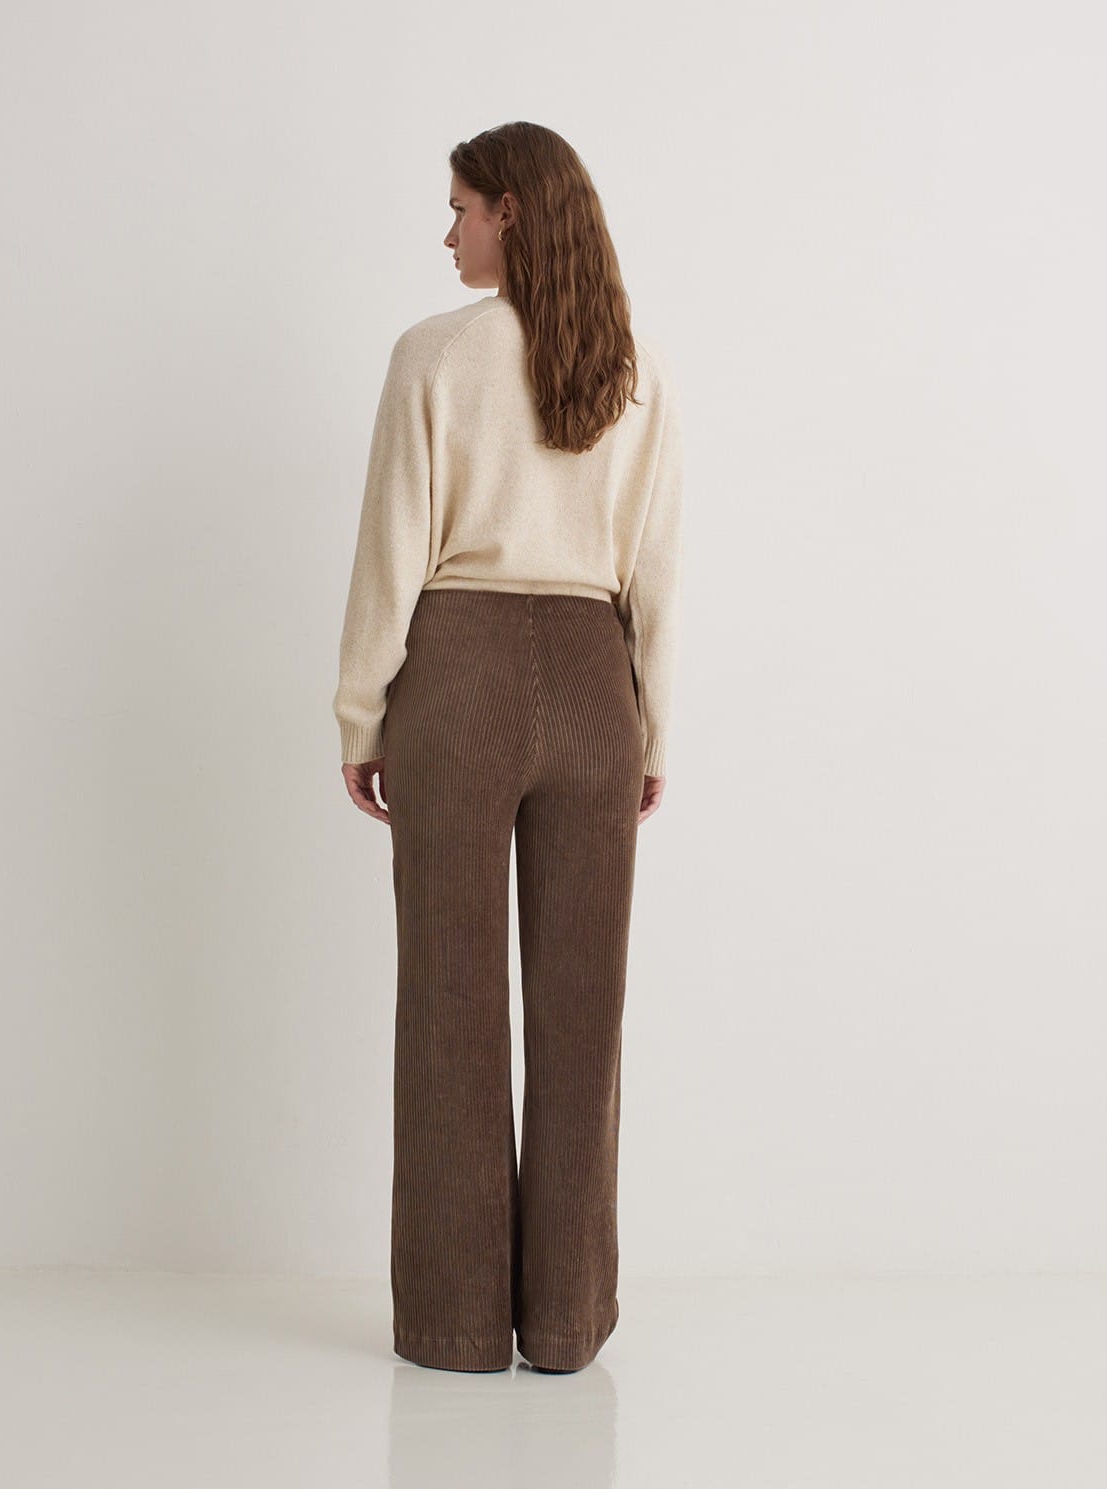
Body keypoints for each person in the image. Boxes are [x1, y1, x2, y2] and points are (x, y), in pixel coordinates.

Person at [333, 121, 684, 1375]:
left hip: (459, 675)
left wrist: (362, 713)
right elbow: (656, 569)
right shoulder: (629, 369)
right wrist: (651, 728)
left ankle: (457, 1323)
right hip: (596, 684)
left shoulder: (433, 355)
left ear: (511, 214)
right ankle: (568, 1321)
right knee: (586, 1015)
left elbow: (394, 548)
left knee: (448, 1004)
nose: (448, 233)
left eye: (461, 209)